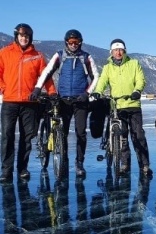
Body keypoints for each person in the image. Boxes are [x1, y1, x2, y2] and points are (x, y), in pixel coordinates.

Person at [30, 29, 99, 177]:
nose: (73, 45)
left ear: (80, 42)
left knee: (81, 133)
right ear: (66, 42)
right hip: (64, 100)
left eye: (76, 42)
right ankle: (64, 160)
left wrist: (86, 93)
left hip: (80, 100)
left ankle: (79, 162)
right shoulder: (59, 55)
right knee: (63, 132)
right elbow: (46, 72)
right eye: (70, 42)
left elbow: (96, 77)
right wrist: (37, 88)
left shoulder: (86, 57)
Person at [0, 23, 56, 183]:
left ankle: (22, 169)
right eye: (21, 36)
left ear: (30, 38)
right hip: (10, 102)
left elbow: (46, 76)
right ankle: (6, 171)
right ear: (16, 37)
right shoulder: (4, 53)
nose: (24, 38)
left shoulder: (37, 56)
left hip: (30, 102)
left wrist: (52, 92)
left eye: (26, 36)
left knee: (27, 137)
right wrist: (3, 88)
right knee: (7, 136)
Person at [92, 38, 152, 176]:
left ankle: (145, 165)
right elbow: (102, 82)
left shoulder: (134, 63)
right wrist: (97, 91)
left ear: (124, 51)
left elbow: (140, 79)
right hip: (117, 106)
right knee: (122, 137)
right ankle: (124, 164)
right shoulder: (108, 67)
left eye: (120, 50)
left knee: (138, 136)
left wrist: (137, 91)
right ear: (111, 52)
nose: (118, 52)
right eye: (115, 50)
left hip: (133, 105)